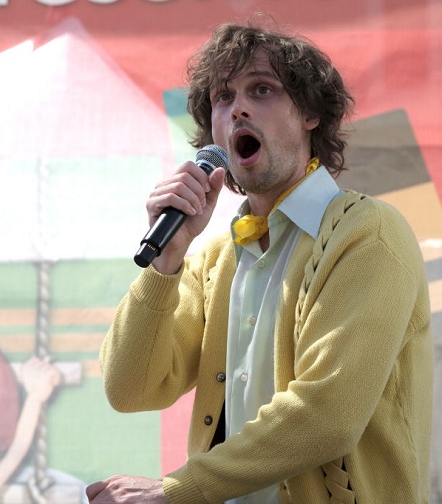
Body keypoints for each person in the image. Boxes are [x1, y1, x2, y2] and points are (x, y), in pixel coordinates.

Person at [86, 21, 433, 504]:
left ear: (310, 113)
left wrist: (176, 491)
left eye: (262, 89)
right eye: (223, 97)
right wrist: (165, 262)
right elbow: (129, 388)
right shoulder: (214, 257)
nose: (238, 108)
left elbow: (326, 415)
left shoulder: (368, 234)